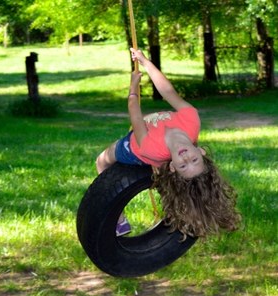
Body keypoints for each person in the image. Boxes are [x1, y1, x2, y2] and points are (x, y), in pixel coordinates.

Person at [96, 48, 241, 238]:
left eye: (183, 164)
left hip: (134, 148)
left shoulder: (151, 148)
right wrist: (145, 61)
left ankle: (120, 220)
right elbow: (168, 91)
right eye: (194, 160)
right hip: (155, 142)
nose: (186, 157)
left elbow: (135, 115)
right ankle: (169, 197)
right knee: (167, 180)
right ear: (202, 152)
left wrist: (133, 88)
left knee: (101, 161)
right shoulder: (191, 121)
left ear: (173, 166)